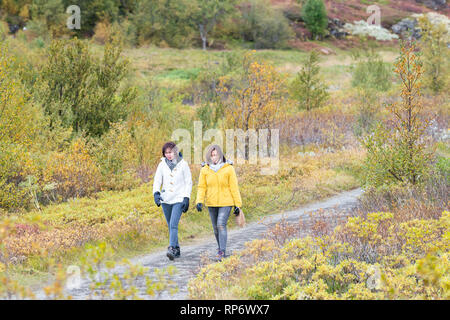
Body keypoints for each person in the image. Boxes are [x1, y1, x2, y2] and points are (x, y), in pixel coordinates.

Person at [195, 144, 242, 261]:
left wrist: (237, 204)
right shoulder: (205, 169)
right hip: (211, 202)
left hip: (226, 202)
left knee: (221, 224)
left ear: (220, 155)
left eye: (215, 155)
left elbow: (234, 187)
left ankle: (222, 251)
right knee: (215, 228)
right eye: (211, 155)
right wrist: (199, 201)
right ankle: (220, 248)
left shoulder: (228, 168)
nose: (214, 157)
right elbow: (201, 187)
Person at [153, 142, 192, 260]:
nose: (168, 155)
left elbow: (188, 182)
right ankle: (177, 248)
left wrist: (186, 197)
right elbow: (157, 180)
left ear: (175, 152)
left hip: (179, 198)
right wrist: (156, 193)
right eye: (166, 153)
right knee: (170, 225)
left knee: (173, 224)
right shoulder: (161, 165)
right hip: (166, 199)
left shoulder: (183, 164)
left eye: (170, 152)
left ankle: (171, 248)